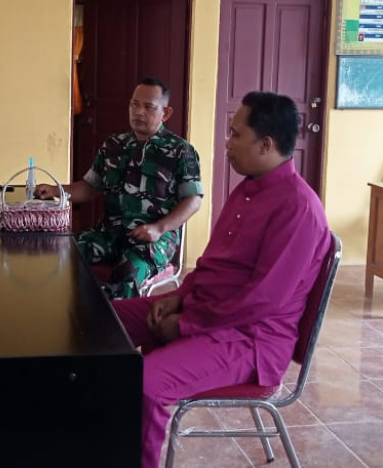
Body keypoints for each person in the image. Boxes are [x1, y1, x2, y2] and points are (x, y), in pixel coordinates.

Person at [111, 92, 331, 468]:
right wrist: (180, 296)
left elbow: (262, 300)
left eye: (236, 134)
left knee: (146, 385)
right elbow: (213, 264)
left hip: (250, 339)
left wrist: (185, 325)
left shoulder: (299, 208)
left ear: (266, 144)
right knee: (101, 322)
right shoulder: (247, 189)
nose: (227, 143)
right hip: (208, 313)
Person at [34, 77, 202, 299]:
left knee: (127, 273)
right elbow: (89, 186)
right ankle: (78, 315)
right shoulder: (114, 145)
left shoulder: (181, 151)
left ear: (166, 113)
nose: (139, 112)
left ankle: (118, 322)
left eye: (149, 107)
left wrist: (159, 228)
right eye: (135, 104)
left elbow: (193, 200)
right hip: (110, 233)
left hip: (153, 239)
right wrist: (56, 190)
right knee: (62, 252)